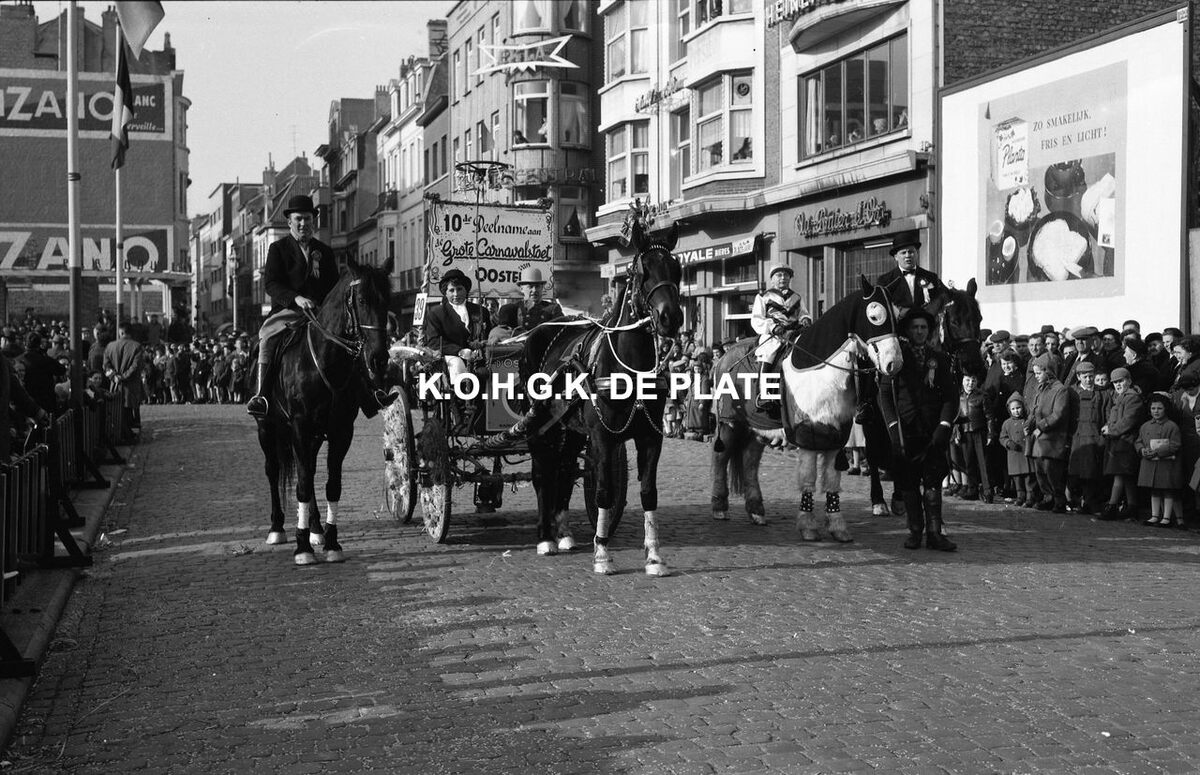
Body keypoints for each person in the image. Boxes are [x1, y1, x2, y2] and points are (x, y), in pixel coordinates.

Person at [247, 195, 394, 419]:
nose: (303, 223)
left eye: (307, 218)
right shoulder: (278, 249)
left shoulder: (324, 250)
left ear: (313, 221)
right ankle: (262, 396)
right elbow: (271, 284)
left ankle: (370, 394)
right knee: (267, 339)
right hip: (288, 312)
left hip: (321, 313)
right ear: (289, 221)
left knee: (351, 345)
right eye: (298, 219)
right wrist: (296, 298)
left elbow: (334, 286)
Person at [878, 307, 957, 551]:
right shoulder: (895, 359)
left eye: (924, 327)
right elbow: (885, 396)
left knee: (933, 483)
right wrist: (893, 427)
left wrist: (944, 425)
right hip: (906, 431)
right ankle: (915, 531)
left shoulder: (939, 359)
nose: (920, 331)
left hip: (932, 432)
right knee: (909, 484)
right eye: (915, 327)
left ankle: (935, 534)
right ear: (908, 331)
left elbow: (951, 396)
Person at [750, 264, 811, 408]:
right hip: (774, 335)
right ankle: (763, 394)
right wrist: (773, 327)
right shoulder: (763, 296)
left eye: (786, 275)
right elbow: (757, 318)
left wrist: (805, 319)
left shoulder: (797, 297)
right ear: (772, 279)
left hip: (794, 332)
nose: (783, 278)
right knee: (768, 354)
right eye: (779, 275)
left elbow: (803, 313)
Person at [1027, 353, 1071, 512]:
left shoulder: (1060, 390)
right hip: (1039, 438)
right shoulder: (1040, 388)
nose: (1037, 376)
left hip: (1052, 438)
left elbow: (1058, 414)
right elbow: (1034, 409)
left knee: (1052, 471)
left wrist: (1041, 426)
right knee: (1040, 470)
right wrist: (1029, 423)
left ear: (1048, 371)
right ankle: (1048, 497)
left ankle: (1059, 500)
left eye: (1039, 373)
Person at [1099, 367, 1145, 520]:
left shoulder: (1132, 398)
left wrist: (1110, 429)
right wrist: (1108, 427)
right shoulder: (1121, 397)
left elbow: (1128, 421)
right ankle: (1132, 507)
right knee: (1126, 476)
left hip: (1126, 442)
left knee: (1119, 474)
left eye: (1121, 381)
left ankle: (1112, 506)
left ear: (1129, 381)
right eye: (1115, 382)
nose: (1117, 385)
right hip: (1118, 442)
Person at [1136, 392, 1184, 527]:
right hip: (1150, 463)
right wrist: (1142, 450)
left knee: (1167, 490)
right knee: (1154, 490)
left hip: (1166, 464)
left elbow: (1175, 444)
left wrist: (1158, 451)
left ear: (1165, 409)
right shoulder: (1145, 426)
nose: (1156, 411)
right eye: (1153, 408)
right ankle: (1155, 515)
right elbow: (1138, 441)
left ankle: (1167, 517)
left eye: (1159, 408)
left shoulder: (1172, 426)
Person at [1067, 361, 1109, 514]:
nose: (1089, 379)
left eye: (1091, 376)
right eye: (1085, 377)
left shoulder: (1102, 393)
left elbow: (1108, 413)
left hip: (1094, 437)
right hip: (1076, 437)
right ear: (1078, 377)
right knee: (1075, 472)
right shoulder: (1072, 392)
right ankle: (1074, 501)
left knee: (1092, 472)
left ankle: (1090, 502)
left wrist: (1107, 427)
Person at [876, 230, 941, 317]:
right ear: (896, 257)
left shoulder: (931, 277)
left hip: (924, 323)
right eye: (903, 253)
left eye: (911, 252)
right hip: (899, 324)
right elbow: (882, 308)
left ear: (917, 253)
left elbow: (938, 303)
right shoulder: (885, 281)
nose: (907, 256)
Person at [102, 323, 144, 442]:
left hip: (115, 384)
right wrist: (123, 376)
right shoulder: (136, 346)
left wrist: (114, 376)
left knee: (117, 410)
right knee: (128, 411)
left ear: (120, 332)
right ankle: (127, 434)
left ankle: (122, 434)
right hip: (130, 386)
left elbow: (105, 365)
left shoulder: (110, 346)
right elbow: (136, 366)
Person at [16, 332, 66, 416]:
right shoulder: (45, 360)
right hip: (46, 403)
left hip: (26, 403)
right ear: (39, 344)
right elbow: (61, 370)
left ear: (25, 343)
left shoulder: (19, 360)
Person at [500, 267, 562, 333]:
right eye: (530, 287)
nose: (534, 290)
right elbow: (504, 332)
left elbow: (561, 330)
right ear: (521, 289)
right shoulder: (513, 309)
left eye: (537, 286)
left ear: (542, 288)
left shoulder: (553, 309)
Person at [999, 392, 1034, 507]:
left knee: (1028, 479)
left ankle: (1030, 497)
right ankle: (1020, 496)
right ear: (1009, 410)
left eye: (1018, 408)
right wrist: (1008, 443)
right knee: (1017, 479)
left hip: (1026, 453)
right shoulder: (1007, 423)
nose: (1016, 411)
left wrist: (1028, 435)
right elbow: (1002, 437)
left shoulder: (1028, 421)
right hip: (1014, 455)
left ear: (1023, 407)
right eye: (1013, 409)